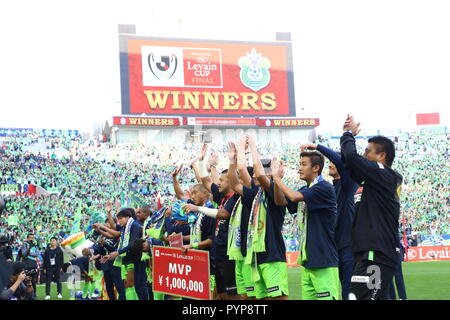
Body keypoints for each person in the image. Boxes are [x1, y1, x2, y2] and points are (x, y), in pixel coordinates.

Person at [341, 115, 403, 300]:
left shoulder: (383, 174)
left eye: (368, 151)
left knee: (356, 297)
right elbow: (349, 163)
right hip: (373, 253)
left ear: (381, 156)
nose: (364, 155)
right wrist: (347, 139)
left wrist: (347, 134)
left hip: (375, 253)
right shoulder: (376, 180)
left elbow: (351, 158)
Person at [271, 151, 340, 300]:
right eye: (299, 164)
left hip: (324, 262)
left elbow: (293, 196)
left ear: (316, 168)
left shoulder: (324, 187)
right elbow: (280, 201)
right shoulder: (306, 190)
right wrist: (277, 180)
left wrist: (276, 178)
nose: (299, 168)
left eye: (303, 164)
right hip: (308, 262)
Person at [301, 143, 358, 300]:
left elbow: (340, 161)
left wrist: (317, 147)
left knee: (348, 290)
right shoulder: (330, 187)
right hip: (333, 246)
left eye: (333, 162)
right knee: (336, 290)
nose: (331, 164)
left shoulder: (349, 185)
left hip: (348, 245)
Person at [187, 144, 241, 300]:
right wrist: (203, 161)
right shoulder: (222, 197)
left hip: (229, 253)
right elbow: (205, 181)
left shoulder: (234, 198)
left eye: (222, 181)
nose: (218, 183)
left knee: (233, 294)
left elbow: (223, 214)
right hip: (219, 252)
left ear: (231, 183)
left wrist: (198, 209)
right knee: (222, 294)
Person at [100, 209, 142, 300]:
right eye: (118, 219)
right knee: (126, 284)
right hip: (125, 259)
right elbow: (114, 226)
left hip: (134, 259)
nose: (119, 221)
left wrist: (118, 252)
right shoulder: (125, 227)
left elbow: (132, 243)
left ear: (128, 217)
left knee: (131, 284)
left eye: (120, 219)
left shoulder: (134, 226)